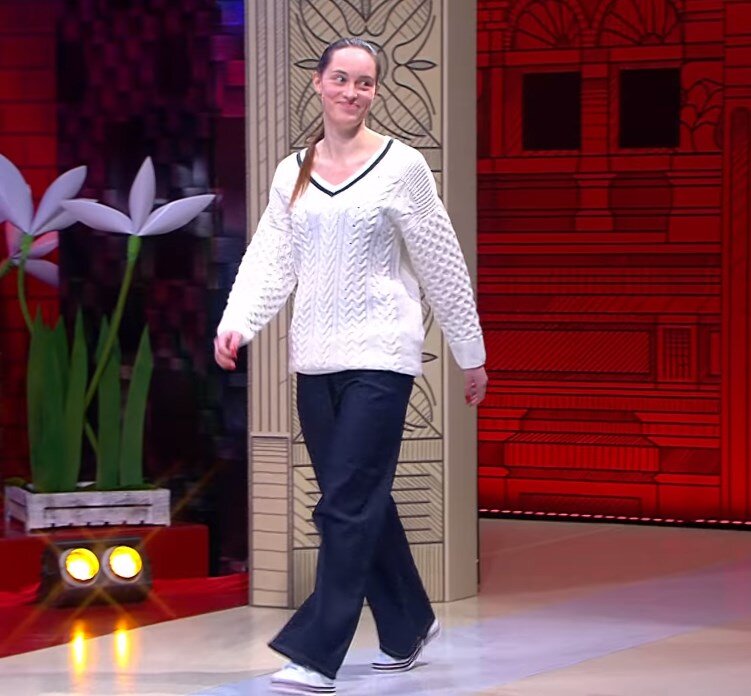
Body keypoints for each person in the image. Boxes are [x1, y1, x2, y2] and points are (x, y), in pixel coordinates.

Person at [214, 37, 488, 695]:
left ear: (374, 92)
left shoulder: (402, 166)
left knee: (344, 506)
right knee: (359, 500)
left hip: (381, 358)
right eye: (341, 79)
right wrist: (238, 321)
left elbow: (440, 259)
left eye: (364, 83)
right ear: (318, 83)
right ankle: (409, 623)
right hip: (315, 359)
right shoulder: (292, 171)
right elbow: (272, 257)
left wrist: (469, 352)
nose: (352, 92)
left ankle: (316, 652)